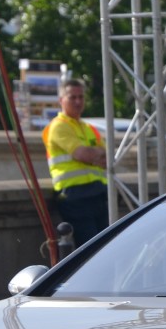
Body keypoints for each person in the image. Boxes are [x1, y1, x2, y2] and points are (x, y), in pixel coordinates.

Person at [42, 78, 109, 246]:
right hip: (74, 195)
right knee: (92, 249)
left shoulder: (88, 128)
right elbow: (82, 154)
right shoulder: (58, 126)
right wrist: (94, 154)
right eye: (73, 97)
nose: (78, 101)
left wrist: (93, 155)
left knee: (105, 246)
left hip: (97, 193)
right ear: (61, 100)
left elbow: (108, 158)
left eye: (81, 97)